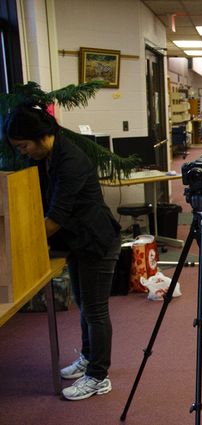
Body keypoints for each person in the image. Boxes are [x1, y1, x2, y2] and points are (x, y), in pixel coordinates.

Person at [3, 104, 121, 401]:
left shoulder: (70, 161)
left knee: (95, 311)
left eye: (24, 145)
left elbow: (55, 219)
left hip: (96, 241)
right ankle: (88, 358)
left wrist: (16, 245)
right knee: (83, 303)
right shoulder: (48, 157)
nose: (22, 152)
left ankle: (98, 377)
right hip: (77, 241)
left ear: (42, 136)